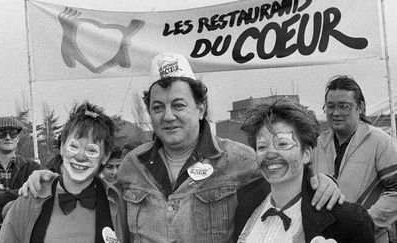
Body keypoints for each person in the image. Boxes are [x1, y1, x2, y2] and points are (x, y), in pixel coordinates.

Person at [20, 53, 343, 242]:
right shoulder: (132, 165)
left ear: (201, 107)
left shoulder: (241, 161)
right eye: (158, 107)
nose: (168, 116)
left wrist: (318, 179)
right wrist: (47, 176)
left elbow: (285, 179)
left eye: (179, 105)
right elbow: (92, 190)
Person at [236, 99, 374, 243]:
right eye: (262, 147)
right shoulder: (244, 206)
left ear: (306, 154)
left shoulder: (350, 221)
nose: (270, 154)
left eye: (282, 144)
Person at [0, 101, 127, 243]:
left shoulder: (119, 202)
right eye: (74, 146)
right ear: (61, 147)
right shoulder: (31, 199)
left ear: (105, 157)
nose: (80, 156)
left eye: (91, 150)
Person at [312, 75, 397, 242]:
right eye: (330, 106)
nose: (336, 113)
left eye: (344, 106)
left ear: (360, 107)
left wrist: (365, 221)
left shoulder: (379, 141)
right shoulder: (318, 145)